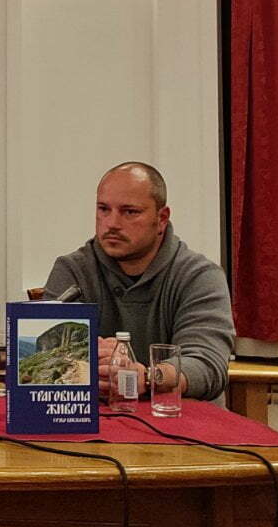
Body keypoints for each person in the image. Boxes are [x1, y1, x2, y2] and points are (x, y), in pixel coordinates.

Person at [42, 161, 234, 401]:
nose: (112, 223)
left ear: (161, 218)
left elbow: (206, 364)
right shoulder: (73, 270)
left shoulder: (200, 276)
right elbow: (48, 358)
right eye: (103, 209)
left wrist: (146, 377)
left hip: (179, 416)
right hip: (98, 415)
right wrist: (92, 357)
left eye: (129, 212)